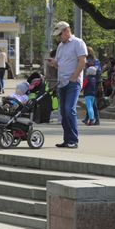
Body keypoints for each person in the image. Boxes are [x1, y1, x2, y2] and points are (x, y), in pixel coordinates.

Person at [47, 21, 88, 149]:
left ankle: (73, 140)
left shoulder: (78, 43)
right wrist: (53, 63)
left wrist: (74, 77)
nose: (59, 37)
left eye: (60, 34)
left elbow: (82, 62)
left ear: (67, 31)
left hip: (73, 82)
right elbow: (60, 63)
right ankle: (67, 139)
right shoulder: (60, 46)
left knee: (69, 109)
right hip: (62, 82)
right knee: (63, 112)